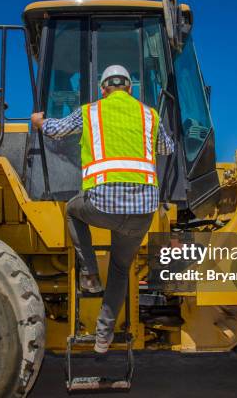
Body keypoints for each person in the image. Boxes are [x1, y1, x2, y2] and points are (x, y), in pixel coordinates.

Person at [31, 65, 174, 353]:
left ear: (103, 89)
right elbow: (166, 149)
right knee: (121, 269)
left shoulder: (91, 111)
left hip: (102, 206)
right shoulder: (150, 115)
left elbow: (56, 131)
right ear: (130, 88)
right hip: (142, 212)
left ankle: (91, 275)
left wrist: (38, 122)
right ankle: (103, 337)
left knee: (72, 210)